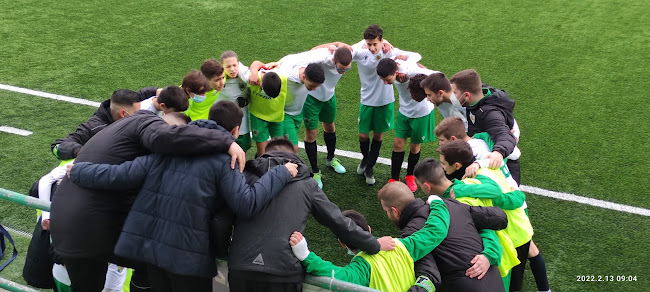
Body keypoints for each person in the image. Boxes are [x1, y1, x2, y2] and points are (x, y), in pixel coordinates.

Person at [67, 100, 295, 292]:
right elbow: (246, 203)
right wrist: (281, 173)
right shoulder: (226, 159)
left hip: (151, 253)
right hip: (187, 260)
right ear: (235, 130)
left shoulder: (171, 148)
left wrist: (78, 170)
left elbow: (117, 175)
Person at [226, 137, 393, 292]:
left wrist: (223, 250)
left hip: (241, 268)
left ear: (263, 154)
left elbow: (221, 219)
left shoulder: (243, 177)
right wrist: (374, 245)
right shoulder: (306, 184)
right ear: (294, 157)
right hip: (283, 273)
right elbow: (338, 221)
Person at [434, 119, 550, 292]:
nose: (442, 167)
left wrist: (461, 188)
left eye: (442, 141)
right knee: (522, 263)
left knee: (511, 279)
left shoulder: (476, 180)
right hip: (516, 222)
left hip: (513, 230)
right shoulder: (484, 153)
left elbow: (498, 195)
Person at [289, 197, 449, 292]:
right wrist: (437, 202)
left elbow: (334, 276)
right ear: (369, 229)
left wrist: (306, 255)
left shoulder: (361, 268)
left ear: (342, 243)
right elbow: (436, 231)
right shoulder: (402, 245)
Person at [377, 181, 508, 292]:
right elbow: (499, 217)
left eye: (386, 211)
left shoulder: (411, 233)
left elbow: (430, 276)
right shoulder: (451, 204)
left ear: (395, 211)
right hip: (495, 282)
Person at [351, 24, 422, 185]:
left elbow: (415, 56)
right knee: (362, 135)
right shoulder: (360, 51)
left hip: (385, 102)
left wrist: (403, 67)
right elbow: (343, 50)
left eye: (375, 44)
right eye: (369, 44)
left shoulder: (388, 50)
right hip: (366, 101)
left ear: (381, 40)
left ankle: (369, 167)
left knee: (378, 135)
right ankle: (365, 159)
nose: (372, 48)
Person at [274, 47, 353, 188]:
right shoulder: (322, 58)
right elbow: (300, 55)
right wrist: (279, 63)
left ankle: (331, 159)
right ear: (333, 61)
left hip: (329, 98)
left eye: (346, 70)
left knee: (330, 126)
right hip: (312, 100)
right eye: (340, 69)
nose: (343, 73)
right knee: (312, 133)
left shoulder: (349, 56)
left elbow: (371, 47)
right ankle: (315, 171)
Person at [449, 69, 521, 185]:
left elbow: (504, 135)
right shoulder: (477, 94)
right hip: (483, 158)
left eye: (455, 93)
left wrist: (498, 152)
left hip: (501, 167)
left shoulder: (490, 115)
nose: (452, 96)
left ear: (466, 95)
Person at [376, 58, 437, 191]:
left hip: (421, 114)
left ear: (395, 72)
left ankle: (410, 175)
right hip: (404, 112)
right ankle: (394, 178)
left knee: (415, 146)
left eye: (387, 79)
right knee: (398, 143)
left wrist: (417, 74)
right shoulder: (396, 68)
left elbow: (434, 73)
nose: (385, 83)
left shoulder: (410, 71)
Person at [50, 88, 154, 160]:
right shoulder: (94, 127)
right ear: (123, 113)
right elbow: (57, 146)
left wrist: (157, 91)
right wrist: (84, 152)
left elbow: (144, 93)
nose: (141, 116)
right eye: (137, 113)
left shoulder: (129, 107)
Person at [275, 59, 325, 154]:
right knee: (292, 148)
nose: (314, 89)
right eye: (312, 86)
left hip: (298, 114)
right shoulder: (287, 76)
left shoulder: (307, 68)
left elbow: (320, 52)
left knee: (283, 147)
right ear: (304, 77)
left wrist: (336, 43)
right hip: (285, 115)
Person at [246, 60, 289, 157]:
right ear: (261, 85)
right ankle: (262, 169)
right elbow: (256, 63)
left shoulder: (283, 76)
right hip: (258, 116)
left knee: (277, 149)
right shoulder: (255, 77)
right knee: (262, 151)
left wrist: (278, 63)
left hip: (277, 118)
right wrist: (253, 72)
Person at [219, 51, 253, 153]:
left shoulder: (244, 77)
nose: (232, 69)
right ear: (222, 66)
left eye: (234, 65)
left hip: (242, 123)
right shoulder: (218, 80)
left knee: (242, 151)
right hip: (224, 123)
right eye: (228, 66)